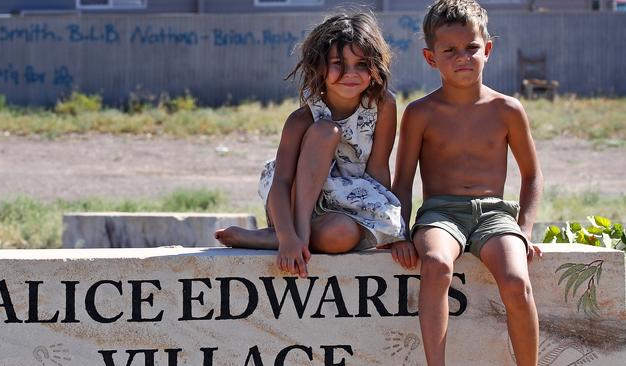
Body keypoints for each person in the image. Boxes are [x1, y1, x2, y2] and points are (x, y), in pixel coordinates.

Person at [390, 1, 543, 365]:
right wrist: (398, 233)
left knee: (516, 283)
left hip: (495, 215)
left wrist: (523, 230)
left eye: (472, 48)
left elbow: (532, 175)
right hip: (440, 215)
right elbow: (403, 179)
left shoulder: (507, 109)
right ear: (431, 58)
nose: (463, 57)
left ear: (487, 49)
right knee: (437, 265)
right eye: (450, 50)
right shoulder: (419, 113)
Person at [215, 11, 406, 278]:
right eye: (338, 63)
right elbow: (281, 182)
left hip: (345, 204)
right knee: (327, 131)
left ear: (375, 66)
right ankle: (295, 233)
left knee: (340, 236)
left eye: (362, 64)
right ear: (319, 66)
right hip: (295, 200)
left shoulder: (383, 105)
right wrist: (292, 234)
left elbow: (378, 169)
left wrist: (391, 230)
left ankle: (274, 238)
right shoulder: (302, 119)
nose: (351, 73)